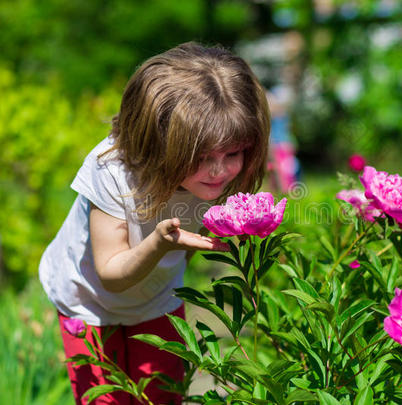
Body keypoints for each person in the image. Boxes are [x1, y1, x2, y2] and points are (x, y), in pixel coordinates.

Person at [39, 42, 270, 405]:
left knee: (162, 396)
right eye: (204, 157)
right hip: (90, 300)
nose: (220, 170)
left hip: (156, 299)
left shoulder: (213, 180)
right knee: (107, 400)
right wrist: (161, 244)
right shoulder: (112, 170)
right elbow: (111, 273)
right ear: (160, 142)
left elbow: (195, 239)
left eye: (233, 153)